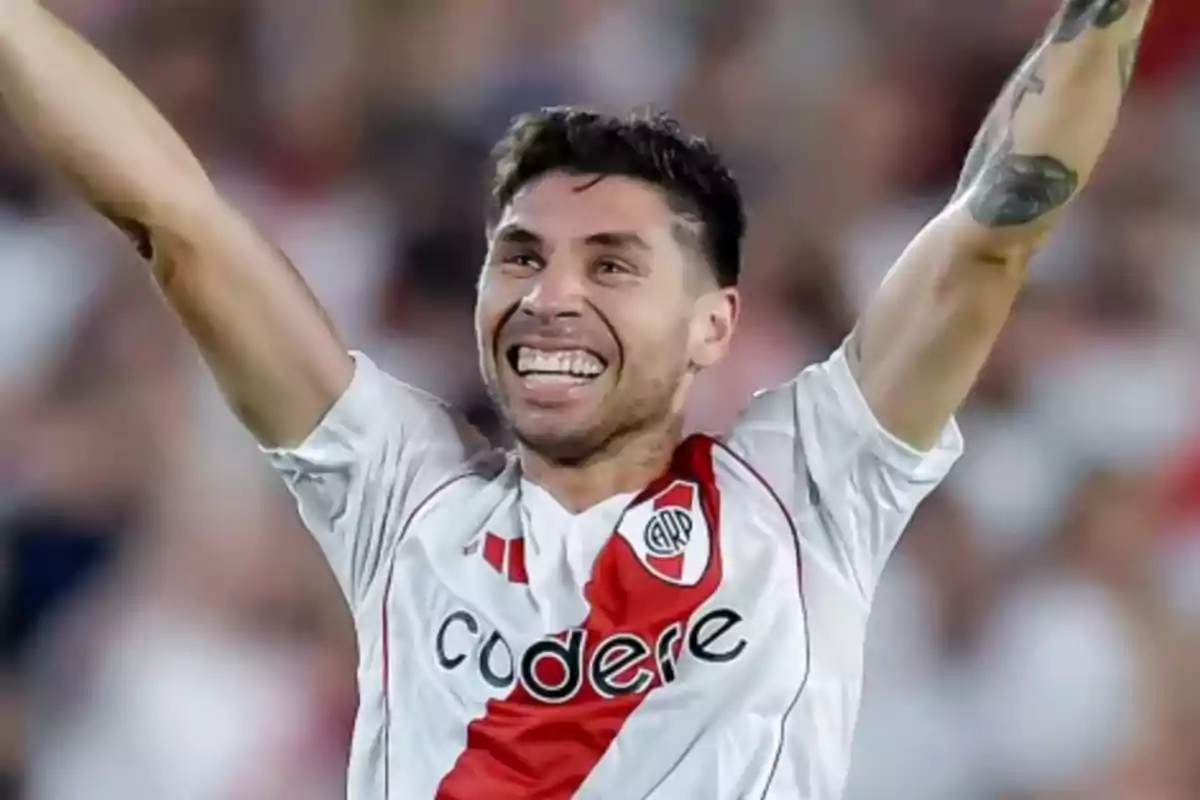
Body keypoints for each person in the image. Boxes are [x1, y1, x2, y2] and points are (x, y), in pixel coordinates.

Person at [0, 0, 1154, 797]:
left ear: (717, 323)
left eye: (612, 264)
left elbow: (990, 237)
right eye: (521, 255)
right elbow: (180, 223)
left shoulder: (807, 490)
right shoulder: (402, 491)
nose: (550, 295)